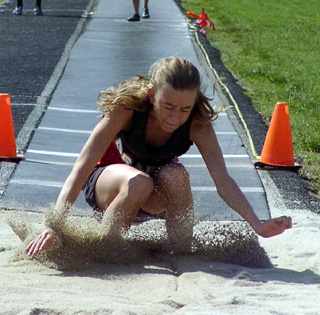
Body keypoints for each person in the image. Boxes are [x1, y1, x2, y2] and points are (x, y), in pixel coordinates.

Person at [26, 56, 292, 257]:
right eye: (168, 106)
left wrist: (257, 224)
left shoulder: (198, 123)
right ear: (152, 94)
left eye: (184, 109)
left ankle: (180, 254)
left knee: (178, 176)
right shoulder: (126, 109)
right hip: (108, 184)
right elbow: (81, 168)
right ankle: (106, 251)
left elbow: (223, 179)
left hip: (153, 193)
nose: (175, 117)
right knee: (139, 182)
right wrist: (55, 224)